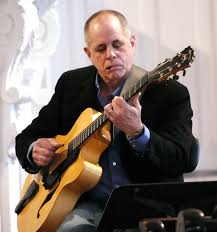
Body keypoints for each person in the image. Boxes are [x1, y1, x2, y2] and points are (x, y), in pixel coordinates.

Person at [15, 9, 196, 232]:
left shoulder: (169, 93)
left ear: (131, 43)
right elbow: (27, 137)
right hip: (85, 206)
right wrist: (34, 149)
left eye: (117, 44)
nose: (110, 54)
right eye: (101, 48)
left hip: (147, 205)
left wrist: (138, 133)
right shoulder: (71, 85)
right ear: (88, 53)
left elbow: (185, 158)